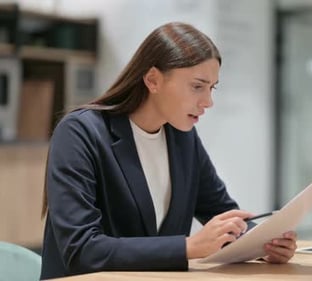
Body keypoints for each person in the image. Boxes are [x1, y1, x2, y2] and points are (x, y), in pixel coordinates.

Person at [40, 22, 297, 279]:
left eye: (212, 87)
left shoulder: (182, 137)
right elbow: (81, 249)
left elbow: (220, 210)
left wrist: (261, 242)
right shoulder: (80, 133)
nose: (208, 102)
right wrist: (188, 246)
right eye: (198, 86)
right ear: (153, 80)